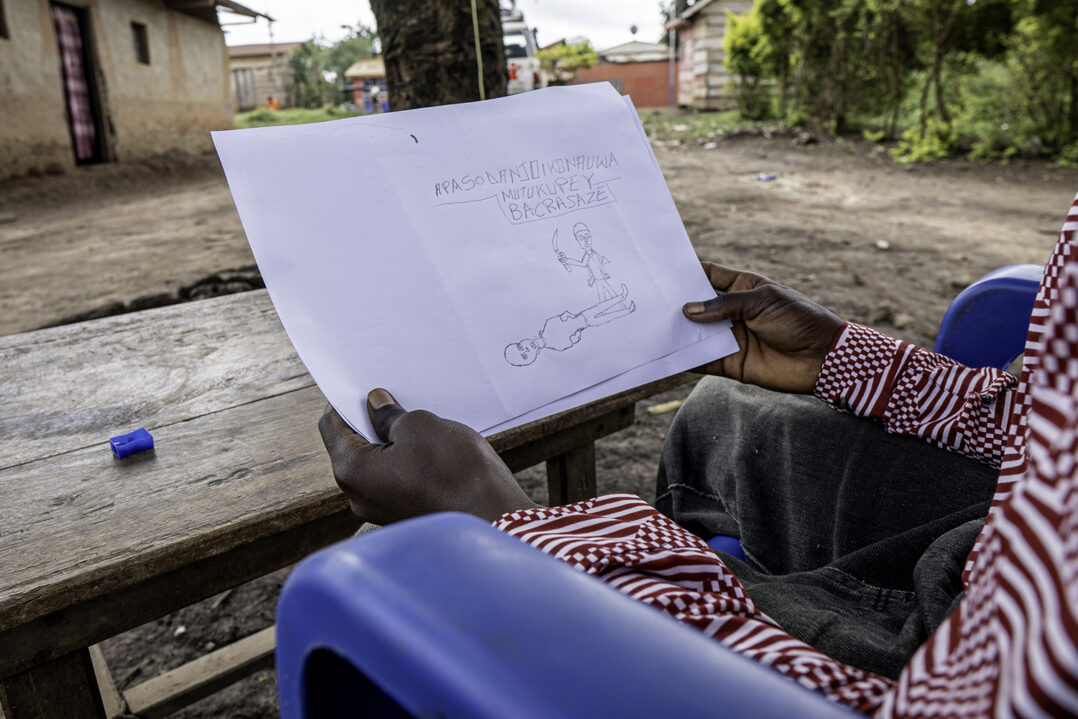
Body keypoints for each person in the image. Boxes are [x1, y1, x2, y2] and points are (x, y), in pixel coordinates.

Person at [318, 195, 1078, 717]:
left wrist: (502, 535)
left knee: (434, 577)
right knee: (714, 415)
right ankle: (711, 582)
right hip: (1011, 537)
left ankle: (687, 604)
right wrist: (845, 358)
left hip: (950, 654)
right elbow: (1050, 414)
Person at [503, 284, 635, 366]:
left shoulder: (548, 325)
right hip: (587, 323)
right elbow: (573, 340)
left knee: (601, 307)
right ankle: (628, 310)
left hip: (582, 316)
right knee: (607, 317)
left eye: (521, 346)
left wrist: (569, 317)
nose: (525, 349)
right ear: (533, 357)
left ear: (523, 340)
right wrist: (576, 335)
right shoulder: (557, 346)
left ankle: (621, 297)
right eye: (525, 355)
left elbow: (563, 316)